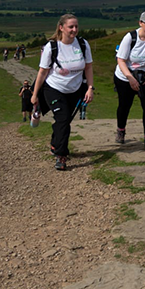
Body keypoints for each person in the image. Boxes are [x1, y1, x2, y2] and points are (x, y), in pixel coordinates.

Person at [31, 14, 95, 171]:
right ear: (61, 28)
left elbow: (88, 67)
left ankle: (55, 143)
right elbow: (42, 72)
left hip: (75, 89)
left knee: (63, 121)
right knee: (64, 119)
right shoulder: (52, 47)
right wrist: (34, 94)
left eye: (76, 26)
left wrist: (90, 88)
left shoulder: (82, 44)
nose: (74, 30)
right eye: (70, 27)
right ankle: (61, 155)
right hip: (54, 88)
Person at [114, 11, 145, 151]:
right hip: (125, 76)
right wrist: (130, 78)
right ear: (140, 23)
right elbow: (121, 60)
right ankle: (121, 129)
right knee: (125, 105)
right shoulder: (130, 38)